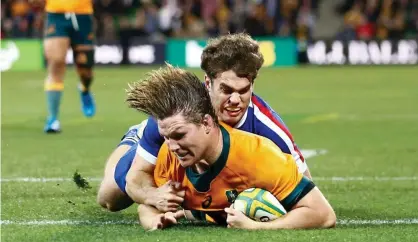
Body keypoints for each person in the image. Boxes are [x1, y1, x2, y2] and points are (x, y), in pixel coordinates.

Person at [97, 33, 311, 212]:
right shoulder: (177, 111)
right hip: (166, 143)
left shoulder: (269, 129)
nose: (235, 100)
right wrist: (152, 195)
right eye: (226, 90)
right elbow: (137, 177)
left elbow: (306, 188)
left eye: (243, 90)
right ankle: (134, 138)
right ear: (208, 83)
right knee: (110, 199)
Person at [126, 64, 336, 230]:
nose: (172, 146)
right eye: (167, 137)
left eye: (179, 135)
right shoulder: (169, 151)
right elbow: (147, 205)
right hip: (140, 151)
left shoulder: (260, 157)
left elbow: (323, 214)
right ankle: (132, 139)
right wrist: (155, 220)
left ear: (207, 123)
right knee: (109, 196)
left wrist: (256, 227)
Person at [37, 0, 96, 133]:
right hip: (56, 15)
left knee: (86, 70)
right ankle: (53, 118)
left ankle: (85, 88)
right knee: (56, 61)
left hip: (83, 16)